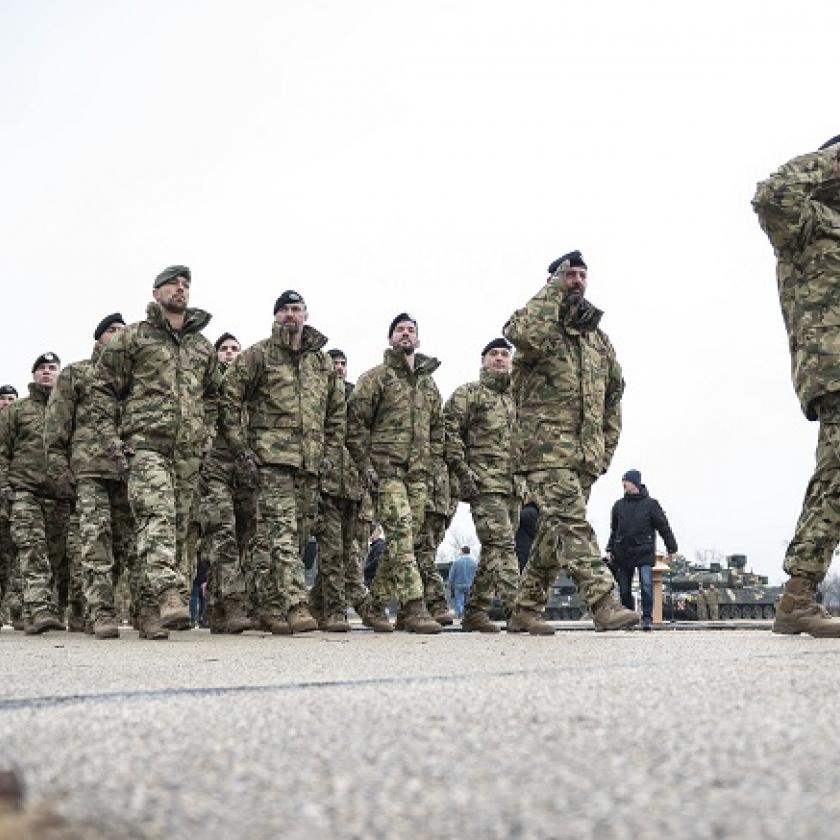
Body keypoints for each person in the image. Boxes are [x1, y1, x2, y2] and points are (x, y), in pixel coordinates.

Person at [504, 251, 639, 635]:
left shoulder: (598, 340)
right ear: (553, 281)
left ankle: (524, 609)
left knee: (552, 532)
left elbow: (614, 395)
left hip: (584, 455)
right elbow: (520, 333)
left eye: (581, 274)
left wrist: (605, 447)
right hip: (544, 449)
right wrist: (551, 289)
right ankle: (604, 601)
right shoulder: (541, 327)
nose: (576, 280)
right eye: (568, 274)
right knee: (570, 522)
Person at [90, 265, 221, 640]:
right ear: (155, 292)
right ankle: (167, 590)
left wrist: (207, 433)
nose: (180, 289)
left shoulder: (201, 346)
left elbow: (214, 395)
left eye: (185, 285)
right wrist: (112, 440)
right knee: (156, 517)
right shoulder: (133, 338)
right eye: (172, 284)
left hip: (188, 453)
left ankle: (148, 610)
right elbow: (102, 390)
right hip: (145, 445)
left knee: (177, 531)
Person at [753, 135, 840, 636]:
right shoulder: (803, 221)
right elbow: (772, 194)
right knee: (835, 477)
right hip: (833, 366)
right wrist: (830, 157)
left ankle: (799, 597)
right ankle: (798, 595)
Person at [220, 290, 344, 635]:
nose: (291, 315)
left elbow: (336, 413)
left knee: (290, 537)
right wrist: (241, 447)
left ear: (306, 314)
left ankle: (268, 604)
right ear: (276, 316)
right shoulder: (258, 355)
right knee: (282, 534)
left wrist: (330, 453)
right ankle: (295, 603)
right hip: (271, 460)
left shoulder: (320, 362)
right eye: (285, 310)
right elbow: (229, 399)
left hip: (311, 463)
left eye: (297, 309)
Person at [346, 313, 445, 634]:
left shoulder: (429, 384)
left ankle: (376, 605)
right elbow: (355, 424)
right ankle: (414, 606)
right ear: (390, 339)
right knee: (401, 533)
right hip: (386, 472)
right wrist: (365, 465)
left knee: (406, 540)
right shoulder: (376, 378)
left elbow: (437, 431)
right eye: (400, 330)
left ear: (418, 339)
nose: (406, 334)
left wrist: (432, 469)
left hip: (418, 475)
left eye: (411, 330)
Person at [44, 312, 135, 640]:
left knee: (125, 546)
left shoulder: (134, 378)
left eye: (124, 331)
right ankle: (101, 612)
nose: (119, 335)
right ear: (99, 338)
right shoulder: (77, 374)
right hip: (90, 471)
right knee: (95, 540)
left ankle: (99, 605)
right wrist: (59, 469)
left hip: (128, 474)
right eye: (112, 330)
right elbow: (56, 428)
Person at [445, 337, 521, 632]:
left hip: (514, 485)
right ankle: (519, 609)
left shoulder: (518, 398)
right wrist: (463, 472)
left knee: (494, 550)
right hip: (484, 483)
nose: (500, 359)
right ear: (483, 360)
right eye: (494, 354)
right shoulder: (469, 394)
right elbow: (448, 432)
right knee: (502, 545)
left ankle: (475, 611)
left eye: (505, 354)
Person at [310, 349, 387, 633]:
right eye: (335, 363)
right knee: (332, 553)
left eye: (344, 364)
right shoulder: (317, 397)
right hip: (325, 486)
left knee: (349, 553)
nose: (339, 368)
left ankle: (315, 604)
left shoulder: (356, 399)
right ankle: (337, 609)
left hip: (354, 490)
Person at [0, 353, 72, 634]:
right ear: (33, 375)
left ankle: (33, 608)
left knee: (54, 555)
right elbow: (2, 451)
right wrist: (5, 487)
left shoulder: (66, 409)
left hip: (58, 495)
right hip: (24, 491)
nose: (46, 372)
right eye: (41, 368)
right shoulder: (17, 410)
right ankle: (39, 610)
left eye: (52, 368)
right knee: (32, 549)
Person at [196, 332, 254, 634]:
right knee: (223, 534)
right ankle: (233, 603)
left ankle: (216, 606)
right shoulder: (210, 385)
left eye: (235, 349)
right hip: (214, 466)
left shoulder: (249, 384)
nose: (229, 353)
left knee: (245, 539)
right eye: (224, 349)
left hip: (244, 470)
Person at [605, 469, 678, 631]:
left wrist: (671, 548)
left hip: (644, 550)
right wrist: (610, 549)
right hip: (623, 552)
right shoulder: (618, 506)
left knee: (646, 586)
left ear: (635, 483)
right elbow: (614, 530)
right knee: (624, 589)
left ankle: (646, 618)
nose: (624, 484)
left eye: (627, 481)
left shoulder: (651, 504)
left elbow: (663, 527)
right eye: (623, 481)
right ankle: (629, 617)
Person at [0, 385, 21, 629]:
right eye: (3, 399)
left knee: (11, 558)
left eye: (11, 399)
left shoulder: (19, 429)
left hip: (12, 498)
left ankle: (17, 609)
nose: (7, 402)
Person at [448, 546, 477, 618]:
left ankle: (460, 615)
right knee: (468, 602)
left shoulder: (456, 562)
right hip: (470, 585)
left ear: (462, 551)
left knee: (458, 602)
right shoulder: (474, 562)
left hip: (458, 585)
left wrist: (450, 585)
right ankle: (467, 616)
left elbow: (452, 575)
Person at [364, 523, 385, 587]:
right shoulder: (374, 546)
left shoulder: (379, 545)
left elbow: (376, 562)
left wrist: (364, 570)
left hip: (371, 580)